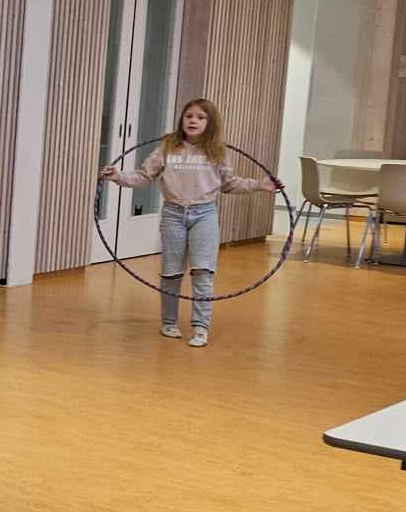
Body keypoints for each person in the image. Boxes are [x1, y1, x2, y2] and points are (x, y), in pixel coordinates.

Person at [101, 98, 279, 348]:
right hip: (173, 214)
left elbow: (230, 184)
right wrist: (118, 176)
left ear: (210, 122)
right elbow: (144, 176)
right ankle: (169, 322)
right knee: (171, 272)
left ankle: (200, 327)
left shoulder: (217, 152)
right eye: (189, 116)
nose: (193, 121)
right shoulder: (167, 147)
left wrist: (259, 184)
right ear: (182, 120)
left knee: (203, 271)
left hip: (205, 214)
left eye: (200, 117)